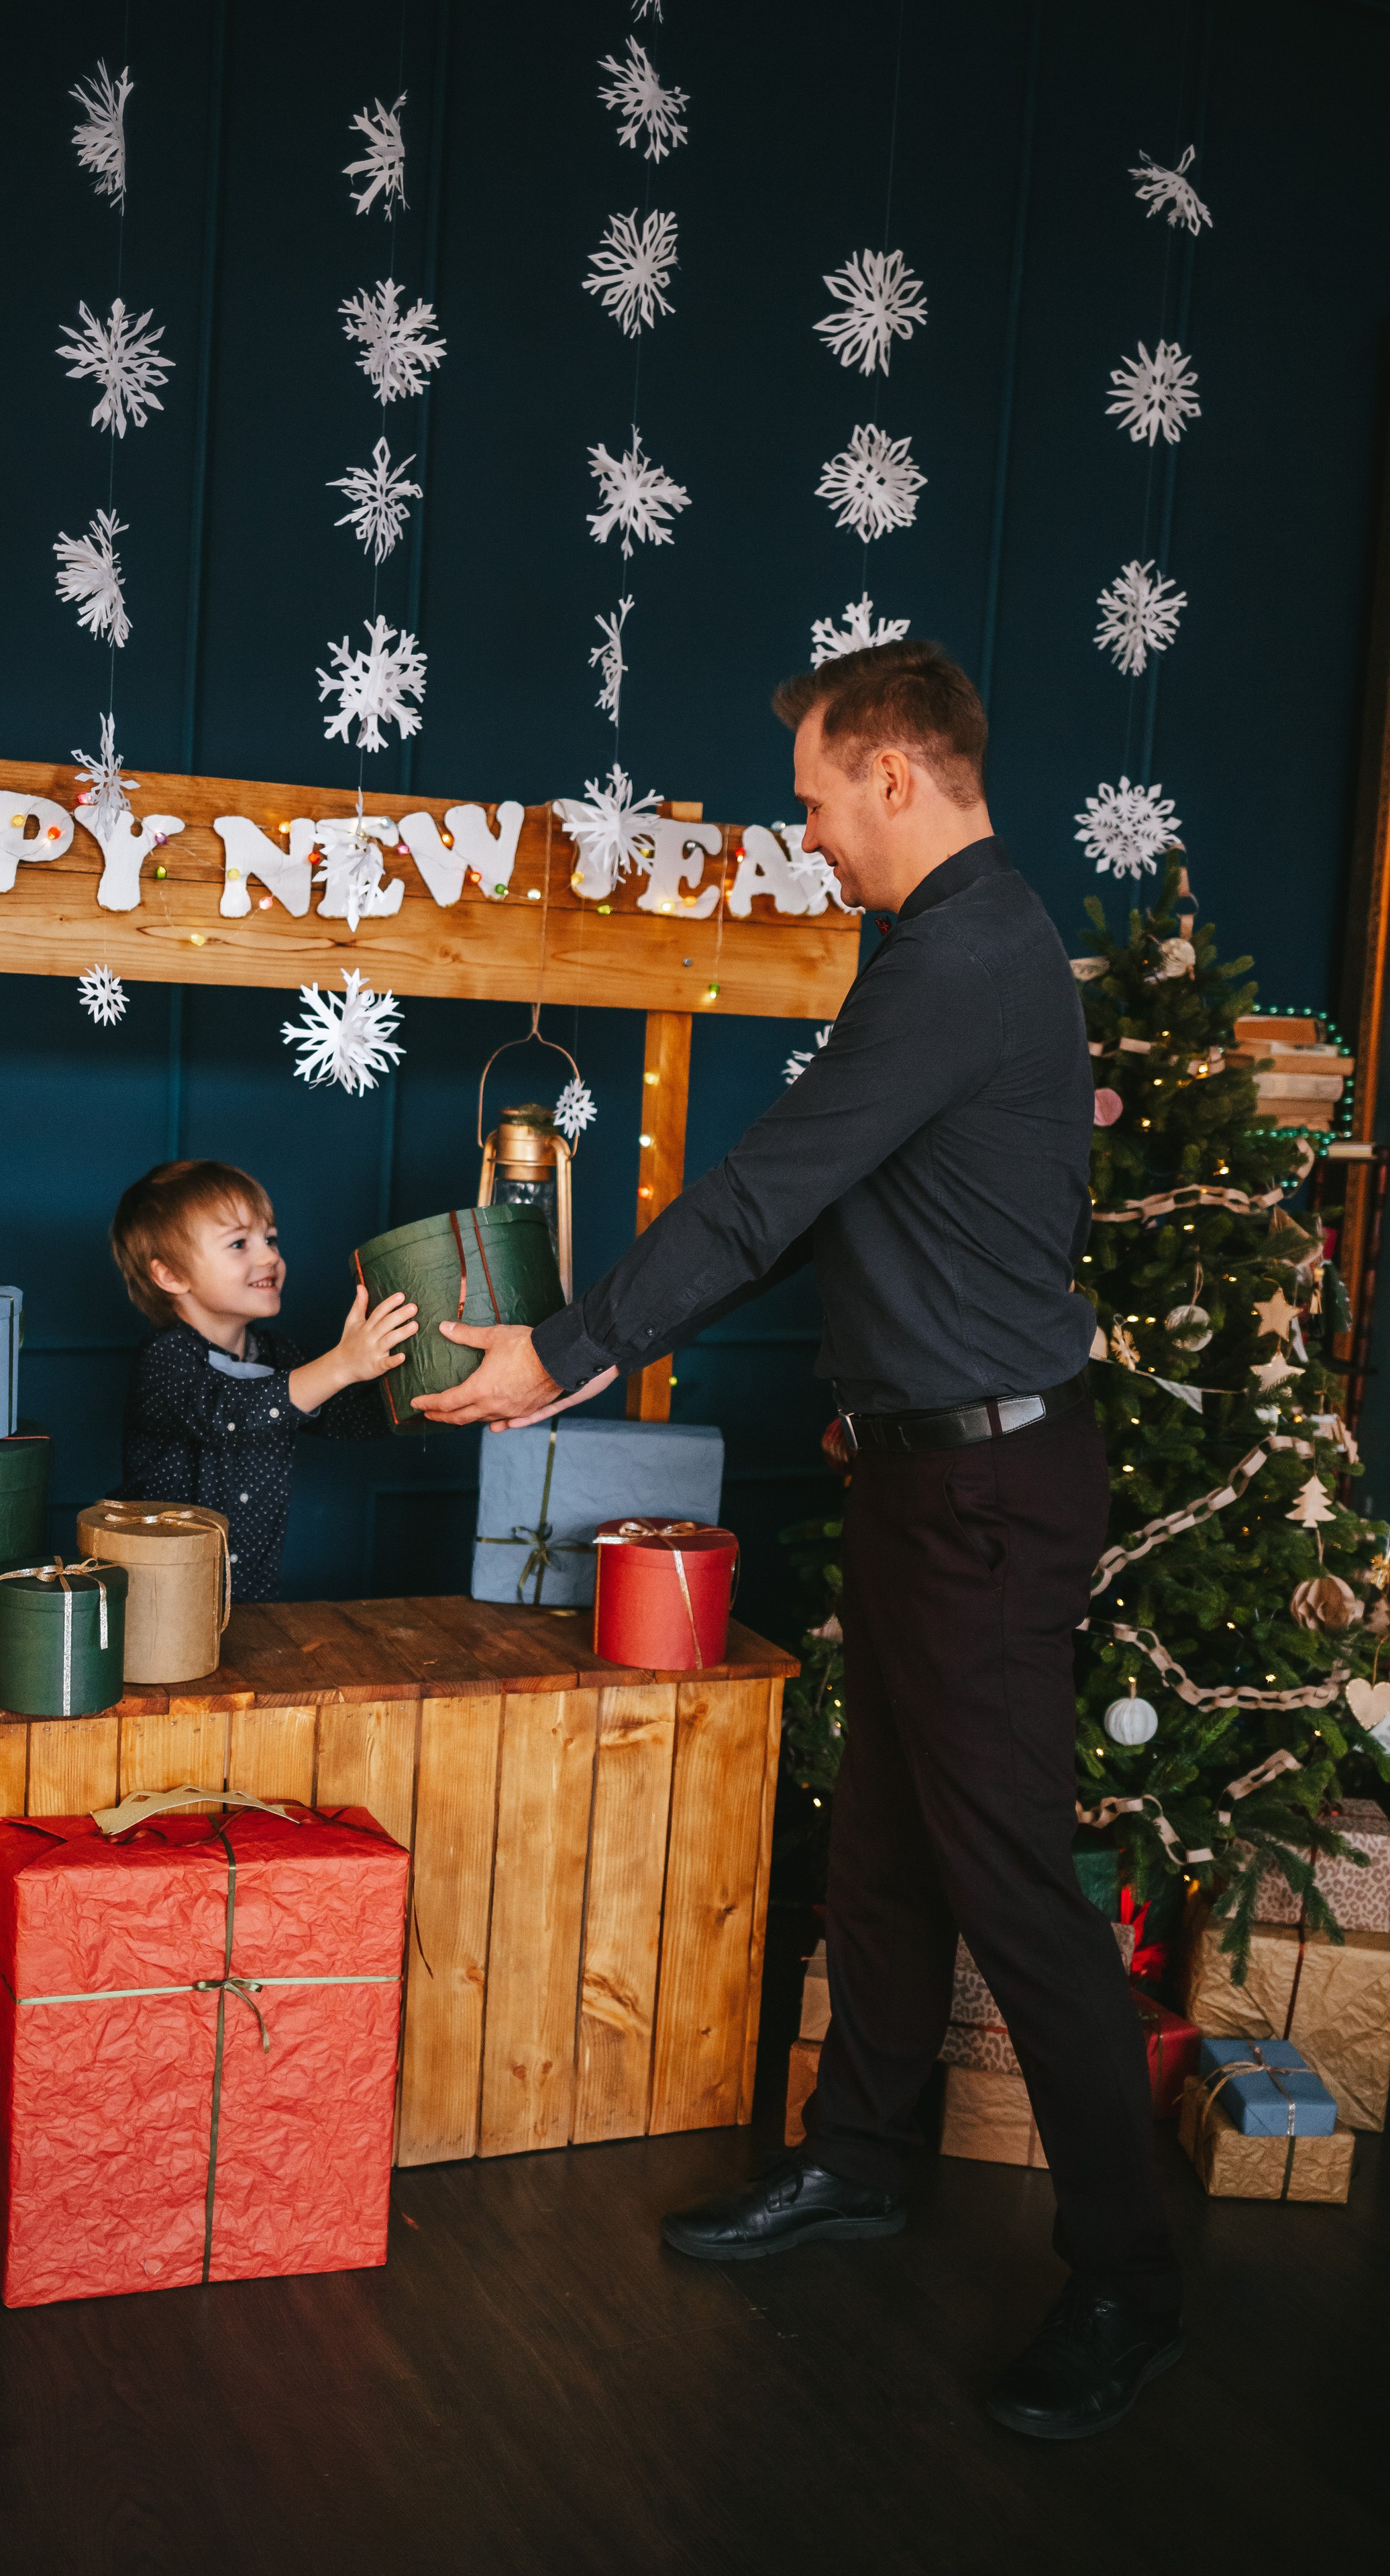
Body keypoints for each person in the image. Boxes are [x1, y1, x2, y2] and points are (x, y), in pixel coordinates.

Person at [411, 639, 1182, 2441]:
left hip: (989, 1491)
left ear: (897, 778)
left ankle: (1132, 2278)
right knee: (894, 1845)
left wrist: (568, 1349)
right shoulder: (954, 952)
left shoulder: (969, 953)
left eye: (823, 797)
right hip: (933, 1472)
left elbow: (771, 1187)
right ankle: (861, 2163)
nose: (812, 831)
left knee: (1009, 1885)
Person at [110, 1159, 415, 1601]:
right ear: (170, 1275)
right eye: (239, 1244)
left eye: (270, 1239)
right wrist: (342, 1364)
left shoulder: (277, 1354)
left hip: (250, 1593)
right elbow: (229, 1414)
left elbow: (346, 1417)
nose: (270, 1256)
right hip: (158, 1597)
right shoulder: (164, 1362)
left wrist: (434, 1395)